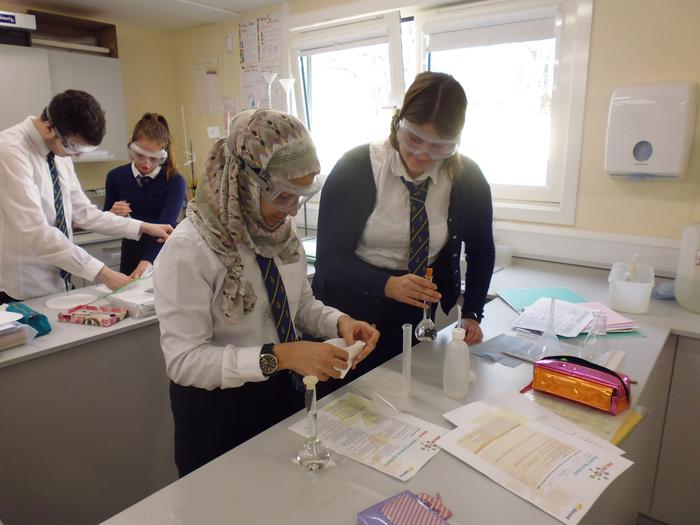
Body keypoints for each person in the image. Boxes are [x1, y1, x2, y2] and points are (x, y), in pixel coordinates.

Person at [153, 109, 379, 477]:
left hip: (280, 396)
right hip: (219, 416)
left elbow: (300, 304)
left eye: (300, 197)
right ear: (242, 179)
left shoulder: (279, 235)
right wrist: (280, 356)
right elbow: (184, 361)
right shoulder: (190, 249)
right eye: (281, 196)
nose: (290, 212)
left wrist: (340, 322)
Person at [312, 71, 495, 383]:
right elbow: (328, 261)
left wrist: (471, 313)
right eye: (414, 139)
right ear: (399, 122)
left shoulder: (467, 177)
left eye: (440, 146)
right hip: (350, 309)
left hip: (412, 314)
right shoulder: (355, 169)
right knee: (348, 398)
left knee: (405, 392)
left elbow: (481, 250)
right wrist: (388, 284)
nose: (423, 154)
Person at [0, 89, 174, 302]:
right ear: (48, 128)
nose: (76, 155)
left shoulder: (60, 149)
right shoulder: (9, 151)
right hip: (22, 287)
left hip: (60, 279)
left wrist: (143, 227)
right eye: (74, 147)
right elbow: (36, 232)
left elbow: (83, 212)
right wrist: (104, 274)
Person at [103, 113, 186, 279]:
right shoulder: (115, 177)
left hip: (163, 253)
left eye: (154, 158)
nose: (146, 164)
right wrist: (113, 213)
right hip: (130, 254)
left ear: (163, 155)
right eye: (140, 155)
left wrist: (147, 261)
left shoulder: (175, 181)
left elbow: (167, 227)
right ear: (131, 146)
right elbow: (105, 222)